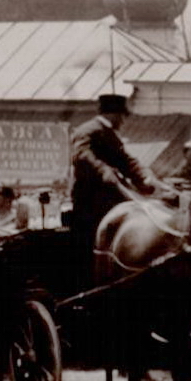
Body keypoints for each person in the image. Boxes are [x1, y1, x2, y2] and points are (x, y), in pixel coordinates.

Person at [66, 93, 155, 262]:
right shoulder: (86, 131)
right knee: (88, 240)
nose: (123, 121)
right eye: (122, 116)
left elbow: (126, 161)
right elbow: (82, 155)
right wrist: (103, 170)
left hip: (112, 197)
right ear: (113, 114)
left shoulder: (111, 134)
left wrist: (144, 176)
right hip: (90, 201)